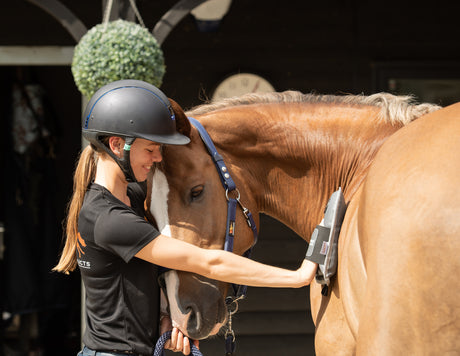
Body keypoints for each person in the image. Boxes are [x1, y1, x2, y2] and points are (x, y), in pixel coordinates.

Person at [53, 79, 318, 356]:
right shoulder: (111, 220)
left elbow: (132, 286)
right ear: (118, 145)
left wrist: (164, 317)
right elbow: (209, 261)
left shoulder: (129, 199)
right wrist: (297, 277)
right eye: (150, 149)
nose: (157, 158)